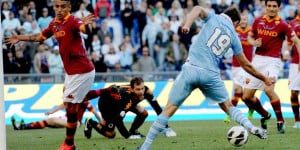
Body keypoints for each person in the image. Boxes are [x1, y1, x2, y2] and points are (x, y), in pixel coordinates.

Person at [139, 5, 275, 150]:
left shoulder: (213, 17)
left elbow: (197, 8)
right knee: (228, 107)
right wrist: (264, 78)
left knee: (168, 109)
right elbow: (246, 65)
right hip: (211, 75)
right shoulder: (234, 37)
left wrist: (187, 24)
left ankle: (145, 147)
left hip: (191, 69)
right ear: (235, 23)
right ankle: (251, 127)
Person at [5, 0, 96, 149]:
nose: (59, 9)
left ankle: (69, 144)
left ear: (69, 7)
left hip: (82, 71)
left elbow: (83, 29)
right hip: (71, 73)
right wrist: (20, 37)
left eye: (62, 6)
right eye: (56, 6)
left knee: (72, 108)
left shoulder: (73, 20)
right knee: (71, 105)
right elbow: (39, 37)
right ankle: (70, 143)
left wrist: (86, 26)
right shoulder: (54, 23)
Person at [243, 0, 300, 134]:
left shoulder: (283, 24)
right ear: (265, 7)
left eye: (274, 6)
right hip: (257, 60)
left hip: (273, 61)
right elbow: (250, 38)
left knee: (269, 90)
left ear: (278, 8)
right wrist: (254, 42)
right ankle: (265, 115)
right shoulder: (257, 21)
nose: (272, 8)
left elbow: (297, 41)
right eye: (269, 6)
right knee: (246, 97)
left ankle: (280, 120)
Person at [83, 77, 176, 139]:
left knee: (144, 113)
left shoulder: (147, 91)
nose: (141, 92)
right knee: (111, 134)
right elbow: (118, 120)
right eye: (138, 89)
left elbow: (157, 108)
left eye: (142, 88)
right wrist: (127, 136)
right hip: (107, 105)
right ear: (132, 89)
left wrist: (166, 128)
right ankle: (91, 122)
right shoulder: (124, 97)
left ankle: (134, 131)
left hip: (125, 103)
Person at [224, 14, 255, 123]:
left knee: (244, 93)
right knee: (238, 92)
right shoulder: (234, 31)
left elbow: (255, 46)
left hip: (247, 66)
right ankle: (244, 110)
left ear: (247, 21)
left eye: (245, 19)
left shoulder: (251, 31)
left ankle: (231, 113)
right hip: (236, 66)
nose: (243, 21)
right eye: (241, 20)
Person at [11, 101, 101, 130]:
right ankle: (22, 126)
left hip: (76, 123)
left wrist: (101, 122)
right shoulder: (70, 99)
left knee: (52, 120)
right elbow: (59, 107)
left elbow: (95, 113)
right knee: (46, 121)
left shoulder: (84, 101)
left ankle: (22, 126)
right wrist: (51, 111)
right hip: (65, 119)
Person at [288, 12, 300, 128]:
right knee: (293, 93)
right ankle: (297, 120)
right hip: (295, 63)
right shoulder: (292, 23)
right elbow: (288, 43)